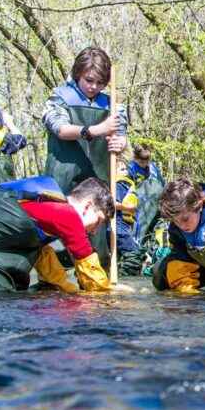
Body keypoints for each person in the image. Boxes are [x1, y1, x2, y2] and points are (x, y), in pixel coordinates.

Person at [0, 176, 117, 292]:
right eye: (99, 220)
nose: (96, 229)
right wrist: (108, 299)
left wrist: (71, 291)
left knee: (2, 286)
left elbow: (52, 273)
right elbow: (92, 277)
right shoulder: (68, 215)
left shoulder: (45, 207)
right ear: (87, 206)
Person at [42, 46, 127, 268]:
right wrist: (95, 130)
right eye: (89, 80)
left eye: (100, 82)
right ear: (78, 73)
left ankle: (97, 289)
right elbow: (59, 129)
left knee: (96, 241)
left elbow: (122, 136)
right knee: (59, 239)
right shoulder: (59, 97)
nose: (94, 87)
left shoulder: (113, 104)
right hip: (63, 179)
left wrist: (121, 142)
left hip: (98, 180)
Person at [114, 155, 144, 276]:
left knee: (123, 255)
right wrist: (128, 208)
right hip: (119, 227)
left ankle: (120, 274)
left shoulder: (126, 184)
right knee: (134, 254)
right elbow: (113, 203)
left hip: (125, 226)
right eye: (121, 170)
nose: (125, 172)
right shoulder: (118, 184)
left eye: (125, 169)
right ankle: (127, 276)